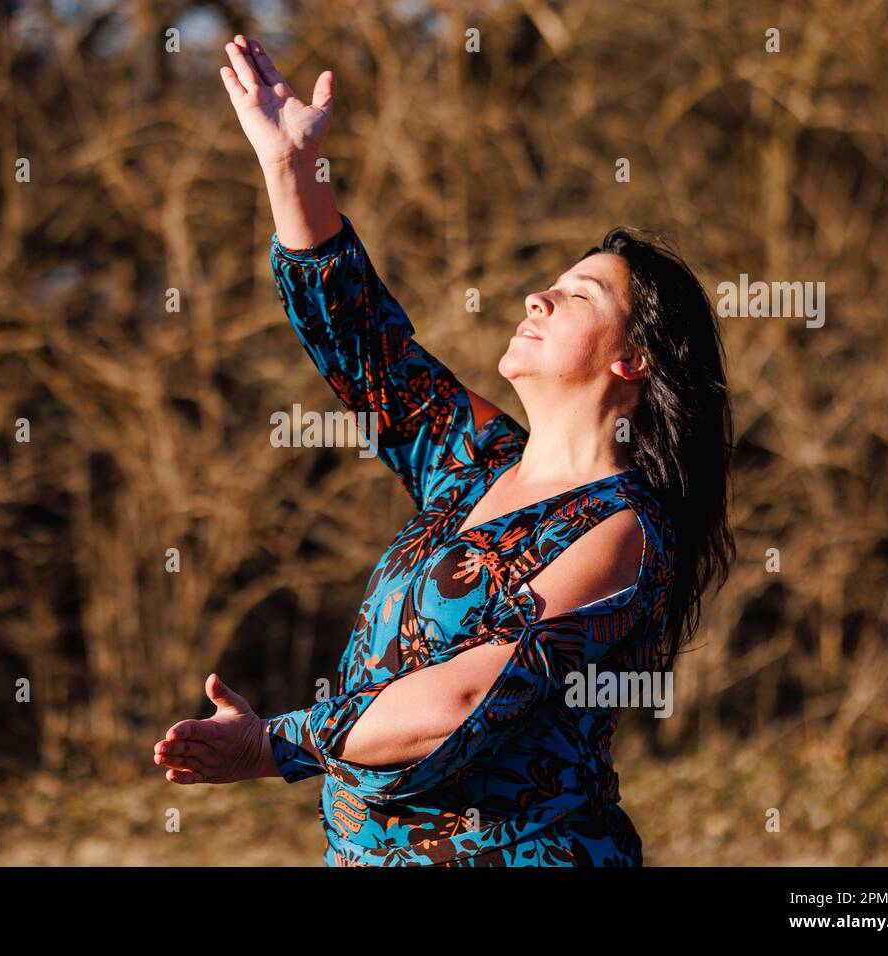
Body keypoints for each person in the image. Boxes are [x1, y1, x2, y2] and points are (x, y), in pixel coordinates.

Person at [153, 34, 734, 866]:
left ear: (631, 360)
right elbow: (364, 345)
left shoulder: (624, 532)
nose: (537, 296)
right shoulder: (475, 464)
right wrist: (290, 166)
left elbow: (467, 696)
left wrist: (274, 744)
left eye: (577, 295)